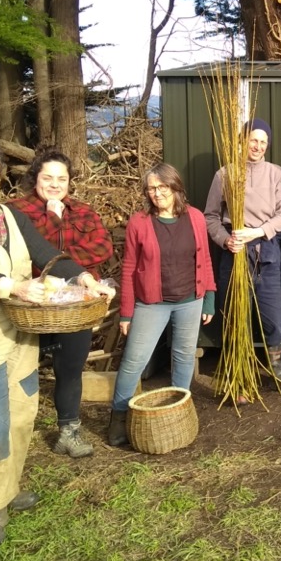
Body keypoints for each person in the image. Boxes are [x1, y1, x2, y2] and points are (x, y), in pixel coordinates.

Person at [0, 139, 115, 549]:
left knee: (21, 415)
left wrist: (81, 276)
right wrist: (11, 286)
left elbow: (46, 253)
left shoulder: (10, 215)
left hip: (19, 333)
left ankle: (9, 490)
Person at [8, 147, 114, 458]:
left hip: (74, 308)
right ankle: (15, 436)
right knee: (19, 370)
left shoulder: (83, 211)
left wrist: (61, 264)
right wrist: (54, 223)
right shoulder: (15, 212)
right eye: (48, 178)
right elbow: (28, 255)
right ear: (35, 178)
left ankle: (69, 431)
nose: (55, 184)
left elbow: (103, 248)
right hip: (31, 307)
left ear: (70, 181)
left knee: (70, 368)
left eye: (62, 179)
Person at [108, 163, 216, 446]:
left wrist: (209, 298)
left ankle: (178, 411)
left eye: (162, 187)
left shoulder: (194, 217)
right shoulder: (139, 222)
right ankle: (118, 417)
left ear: (175, 187)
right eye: (151, 188)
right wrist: (127, 312)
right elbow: (130, 268)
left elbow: (204, 260)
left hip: (190, 300)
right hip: (151, 303)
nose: (156, 194)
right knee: (134, 361)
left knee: (183, 357)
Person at [205, 119, 281, 387]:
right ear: (243, 141)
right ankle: (237, 373)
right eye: (253, 140)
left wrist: (258, 232)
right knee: (235, 314)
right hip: (234, 251)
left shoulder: (276, 173)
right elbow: (210, 217)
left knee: (274, 315)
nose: (257, 146)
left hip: (267, 249)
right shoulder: (225, 175)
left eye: (263, 142)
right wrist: (225, 240)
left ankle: (276, 367)